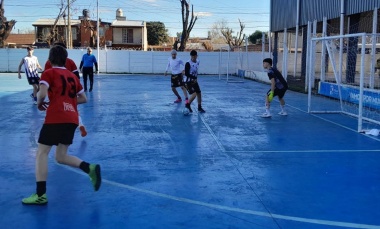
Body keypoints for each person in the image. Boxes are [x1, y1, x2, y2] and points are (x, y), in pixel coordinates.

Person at [21, 45, 101, 205]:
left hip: (56, 117)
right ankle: (89, 168)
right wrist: (67, 102)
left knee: (42, 153)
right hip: (71, 119)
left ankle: (40, 195)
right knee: (60, 156)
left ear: (50, 60)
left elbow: (42, 94)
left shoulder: (49, 72)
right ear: (66, 60)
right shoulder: (72, 77)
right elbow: (84, 98)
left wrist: (40, 103)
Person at [44, 42, 88, 137]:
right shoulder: (70, 61)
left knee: (56, 109)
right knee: (73, 108)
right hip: (70, 90)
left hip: (56, 92)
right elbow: (76, 76)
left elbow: (45, 80)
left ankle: (55, 129)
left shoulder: (49, 63)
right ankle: (80, 124)